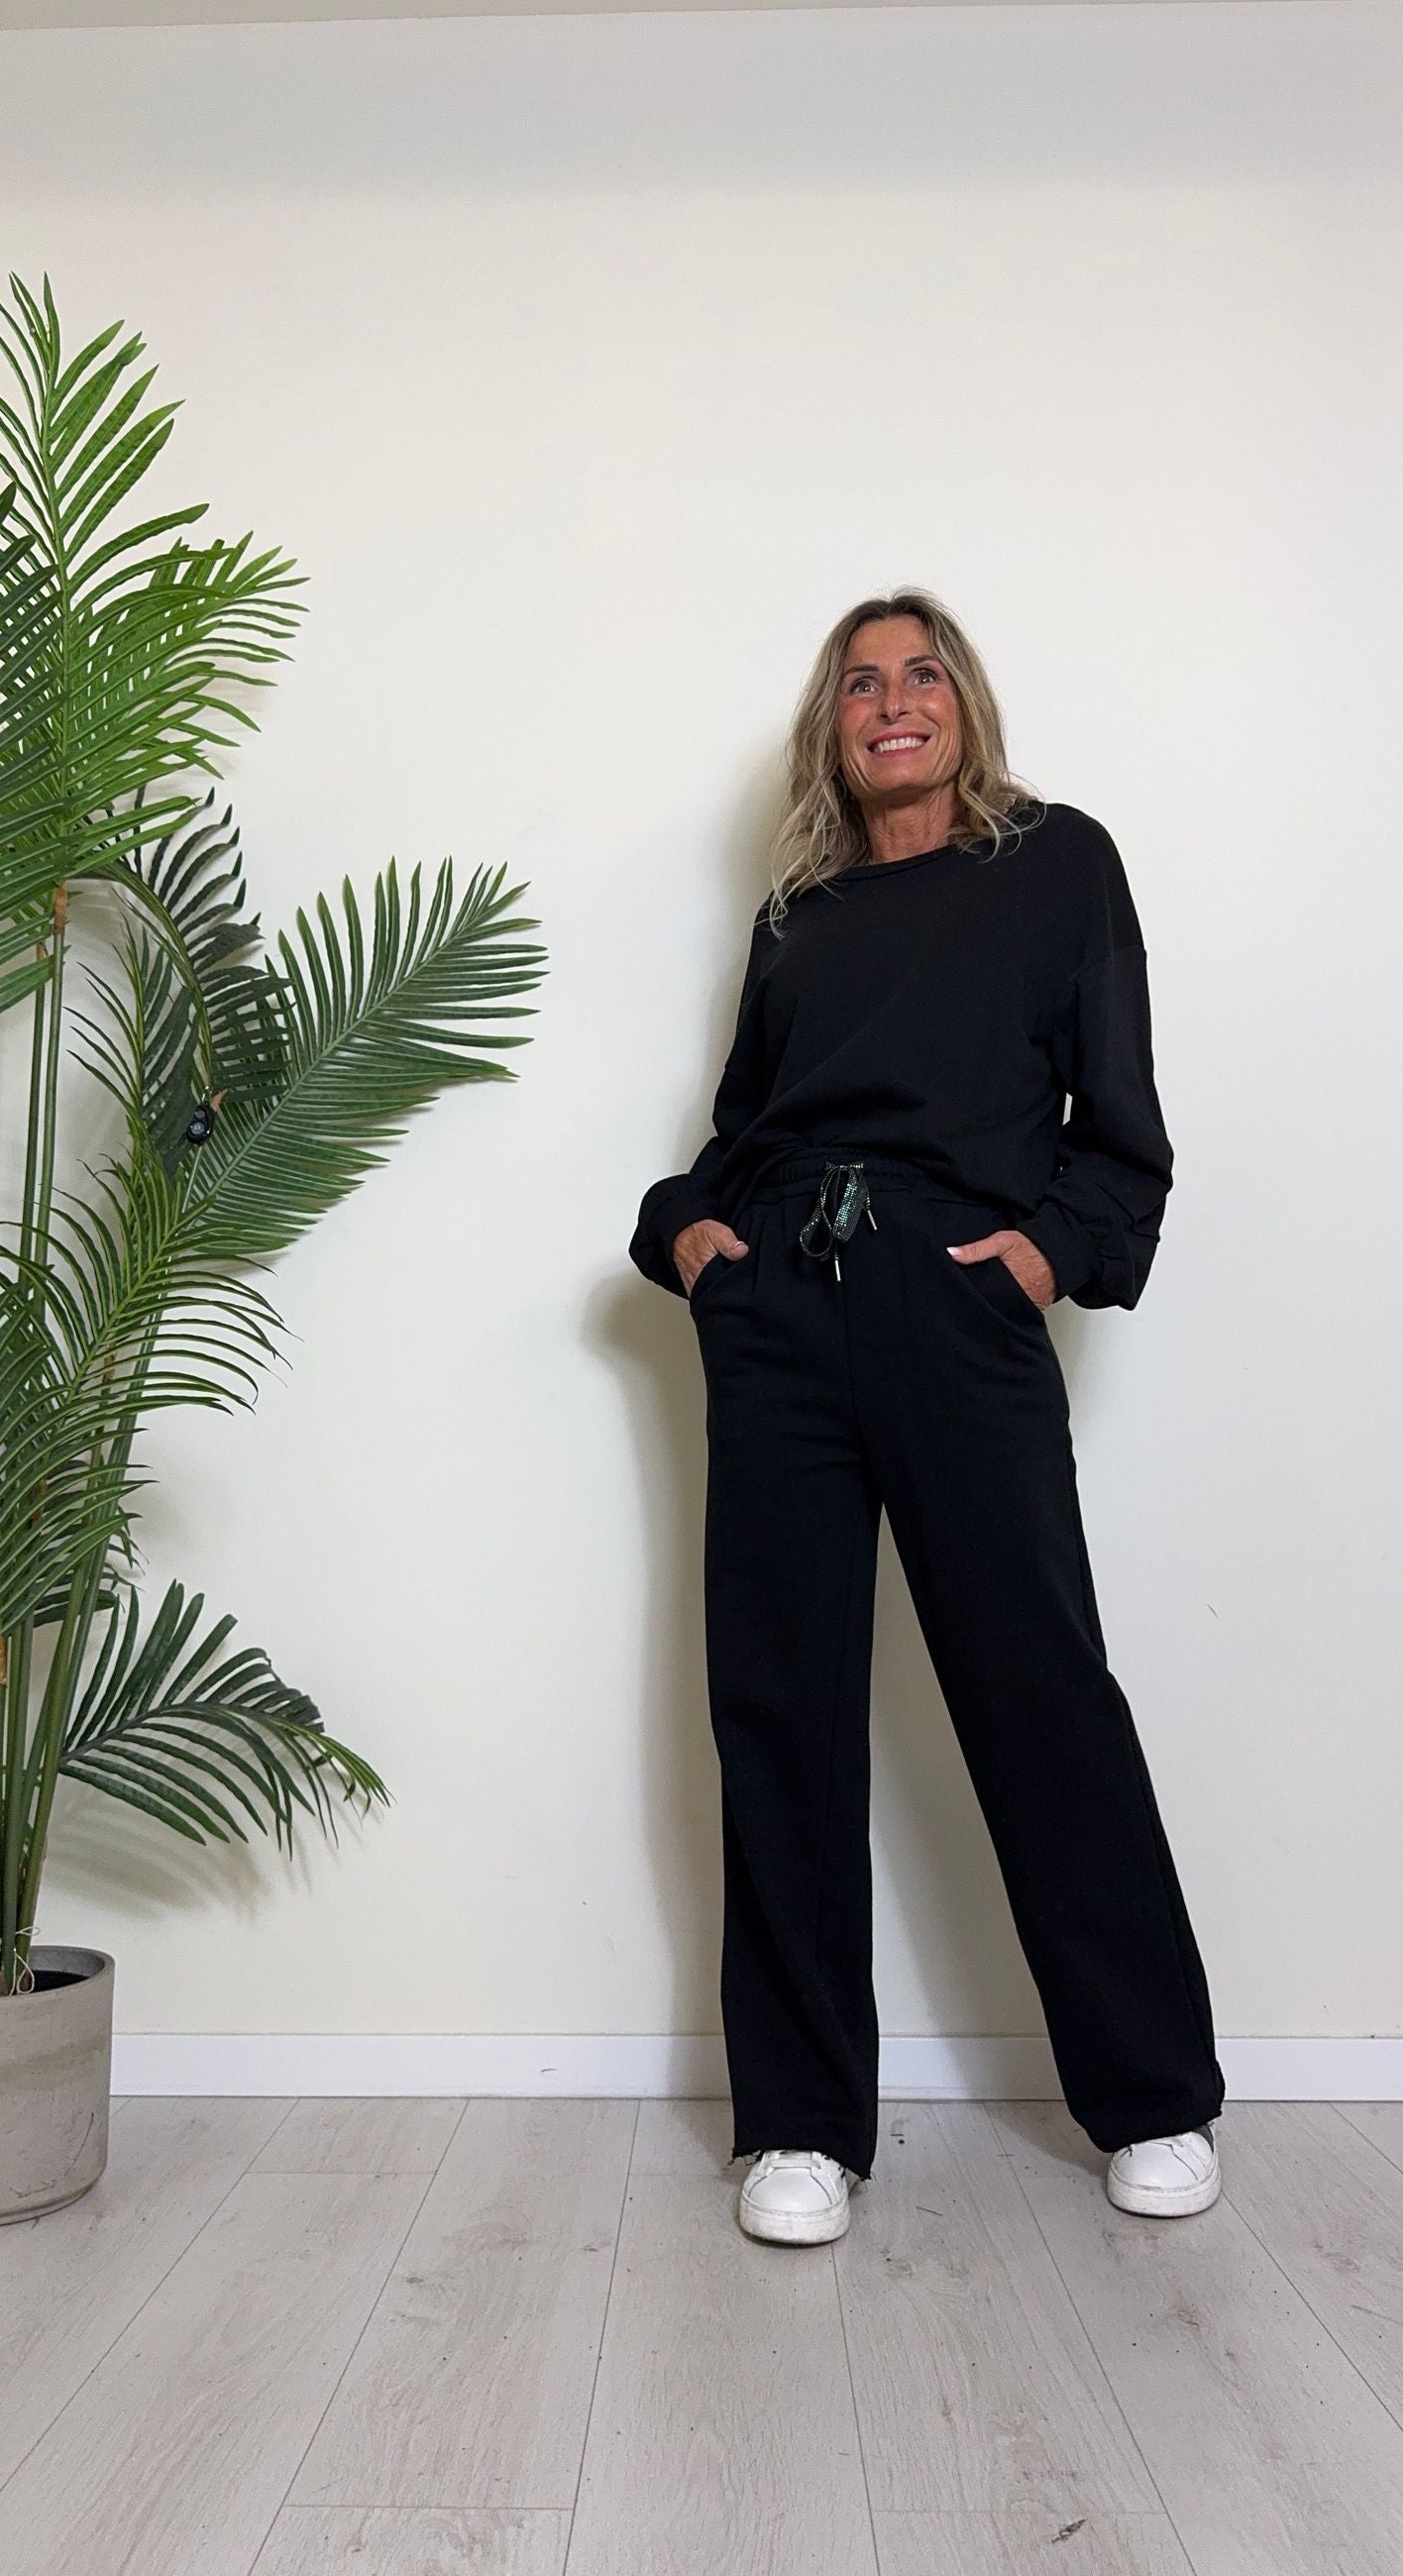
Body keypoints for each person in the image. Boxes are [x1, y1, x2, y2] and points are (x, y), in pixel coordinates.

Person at [628, 589, 1226, 2247]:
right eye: (862, 684)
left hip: (958, 1307)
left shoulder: (1058, 865)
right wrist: (692, 1237)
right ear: (831, 728)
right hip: (781, 1314)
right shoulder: (798, 917)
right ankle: (800, 2127)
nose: (895, 701)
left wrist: (1044, 1258)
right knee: (782, 1709)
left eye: (923, 674)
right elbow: (743, 1129)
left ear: (964, 704)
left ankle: (1154, 2096)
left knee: (1042, 1692)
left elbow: (1120, 1127)